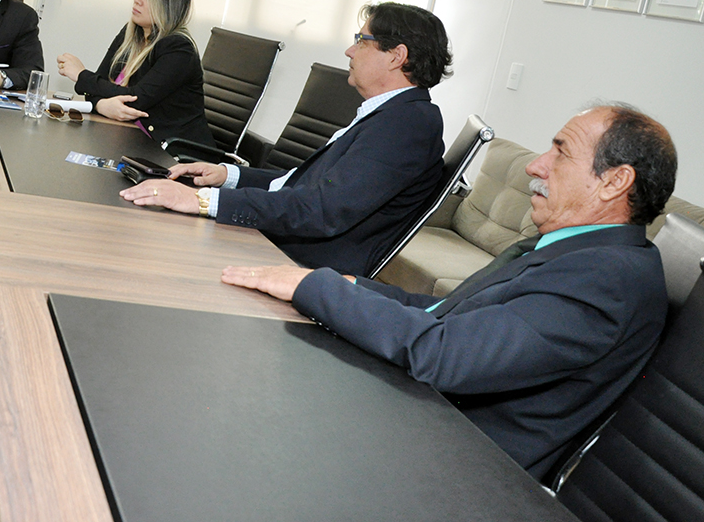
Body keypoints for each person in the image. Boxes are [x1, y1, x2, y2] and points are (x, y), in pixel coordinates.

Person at [222, 105, 674, 480]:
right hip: (425, 419)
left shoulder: (608, 280)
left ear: (615, 181)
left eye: (560, 153)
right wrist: (351, 285)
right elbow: (449, 312)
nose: (536, 165)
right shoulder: (572, 250)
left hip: (458, 466)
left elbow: (446, 354)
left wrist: (313, 285)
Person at [121, 2, 450, 277]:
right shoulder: (391, 115)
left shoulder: (406, 125)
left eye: (362, 41)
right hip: (280, 244)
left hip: (295, 263)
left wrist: (203, 201)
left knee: (145, 249)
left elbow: (321, 210)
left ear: (396, 56)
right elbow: (301, 184)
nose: (350, 50)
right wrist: (227, 175)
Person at [56, 0, 215, 146]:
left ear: (169, 4)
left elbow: (135, 99)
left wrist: (81, 75)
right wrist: (102, 105)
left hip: (172, 152)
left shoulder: (179, 49)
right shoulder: (130, 34)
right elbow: (98, 86)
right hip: (129, 139)